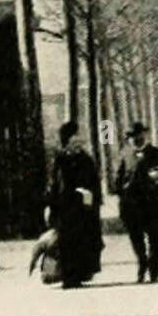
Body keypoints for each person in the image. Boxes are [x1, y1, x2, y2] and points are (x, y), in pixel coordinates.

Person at [116, 122, 158, 283]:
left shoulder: (156, 153)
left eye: (138, 136)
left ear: (144, 136)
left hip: (153, 204)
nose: (135, 140)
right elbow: (118, 178)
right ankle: (142, 261)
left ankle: (154, 269)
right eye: (131, 137)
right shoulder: (125, 155)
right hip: (132, 204)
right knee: (136, 237)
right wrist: (122, 188)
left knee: (155, 237)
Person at [47, 121, 103, 289]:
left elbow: (94, 181)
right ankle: (64, 275)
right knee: (64, 242)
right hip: (65, 207)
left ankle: (79, 274)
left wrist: (92, 197)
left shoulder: (85, 158)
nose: (79, 138)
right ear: (69, 138)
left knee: (82, 241)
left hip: (82, 208)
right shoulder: (60, 159)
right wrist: (50, 204)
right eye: (76, 135)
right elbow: (54, 184)